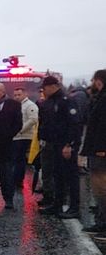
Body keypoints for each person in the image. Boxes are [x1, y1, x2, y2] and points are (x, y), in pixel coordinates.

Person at [38, 76, 82, 218]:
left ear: (52, 86)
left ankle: (74, 208)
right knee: (57, 175)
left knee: (70, 176)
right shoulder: (50, 102)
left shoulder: (66, 101)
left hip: (65, 145)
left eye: (44, 88)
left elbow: (74, 124)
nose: (43, 91)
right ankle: (57, 204)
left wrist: (69, 144)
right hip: (54, 144)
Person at [81, 69, 106, 232]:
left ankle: (103, 223)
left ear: (99, 81)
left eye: (93, 80)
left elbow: (102, 125)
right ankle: (101, 218)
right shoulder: (99, 98)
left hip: (100, 151)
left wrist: (102, 148)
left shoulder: (103, 99)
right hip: (97, 148)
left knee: (101, 187)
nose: (92, 83)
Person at [11, 87, 39, 189]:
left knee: (19, 159)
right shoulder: (17, 105)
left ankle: (17, 180)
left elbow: (33, 119)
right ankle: (14, 179)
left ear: (25, 94)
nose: (17, 97)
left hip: (24, 136)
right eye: (15, 95)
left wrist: (21, 130)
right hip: (16, 136)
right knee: (15, 159)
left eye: (19, 95)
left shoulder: (30, 105)